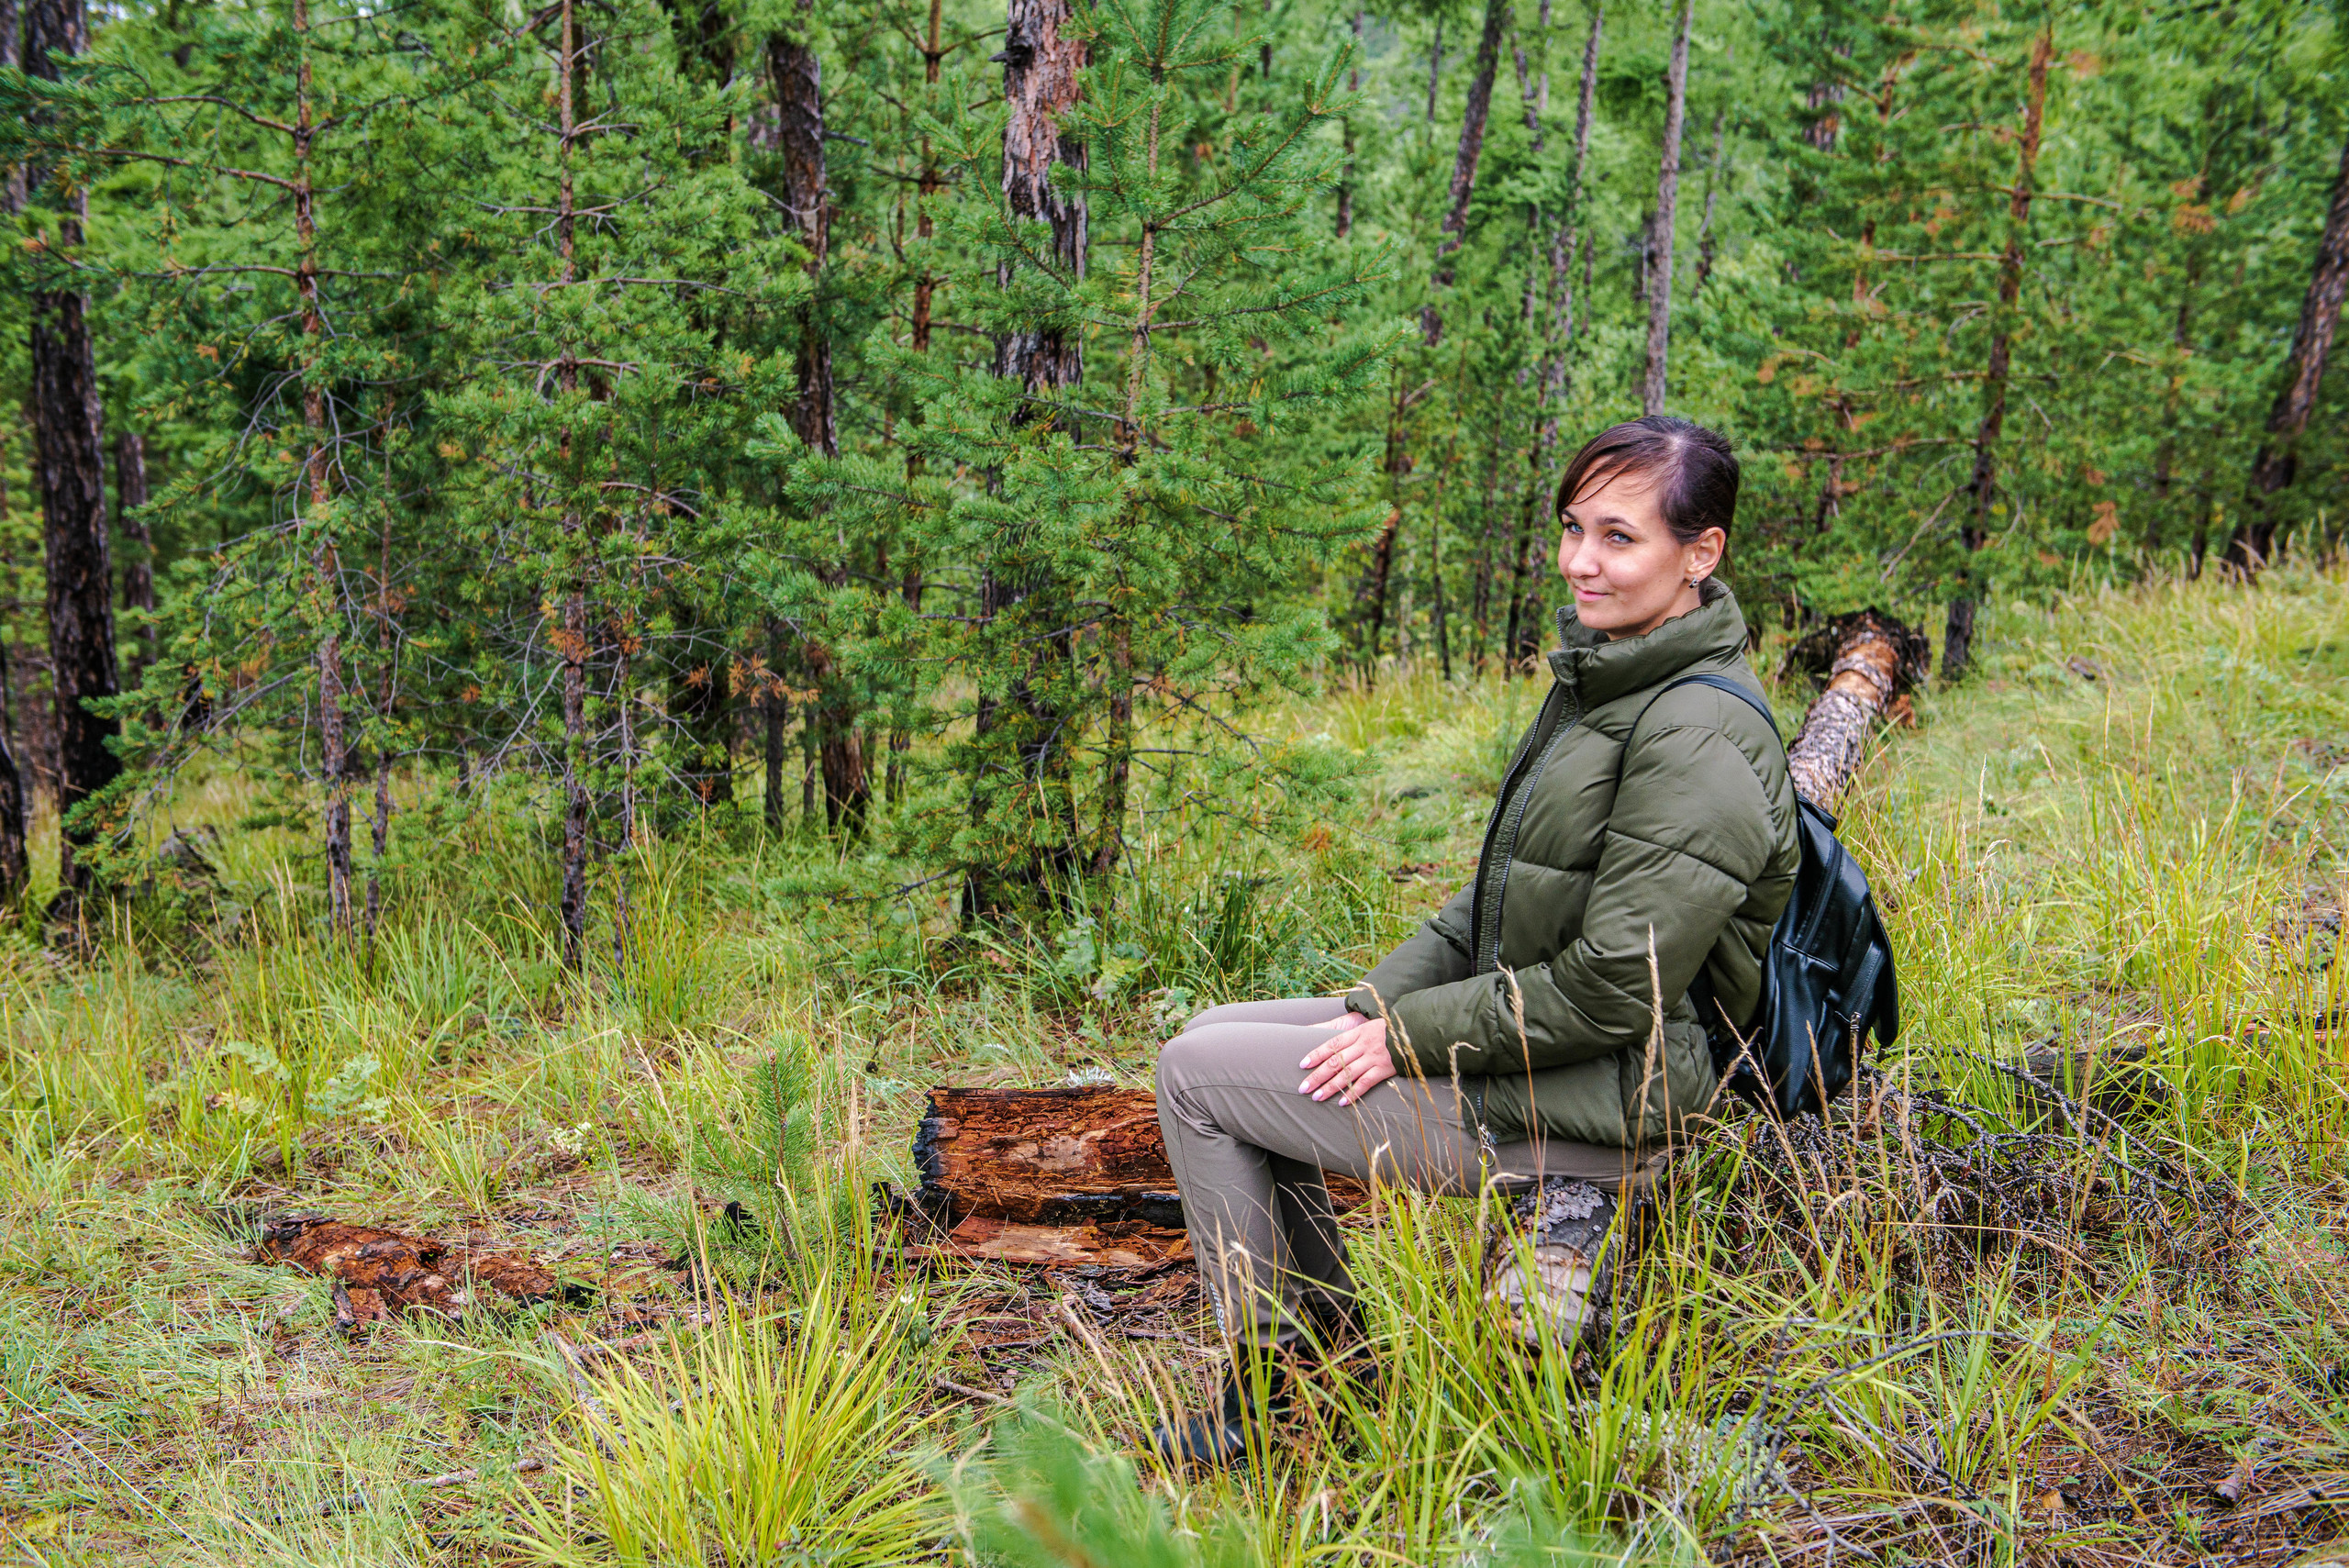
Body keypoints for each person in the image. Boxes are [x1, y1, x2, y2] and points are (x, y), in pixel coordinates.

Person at [1149, 416, 1801, 1467]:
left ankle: (1271, 1387)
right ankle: (1325, 1354)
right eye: (1572, 528)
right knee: (1220, 1032)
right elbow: (1486, 905)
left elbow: (1611, 989)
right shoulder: (1613, 682)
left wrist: (1403, 1039)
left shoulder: (1695, 734)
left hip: (1596, 1096)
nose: (1581, 561)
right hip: (1543, 1055)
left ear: (1702, 552)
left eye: (1619, 536)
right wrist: (1373, 1003)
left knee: (1193, 1074)